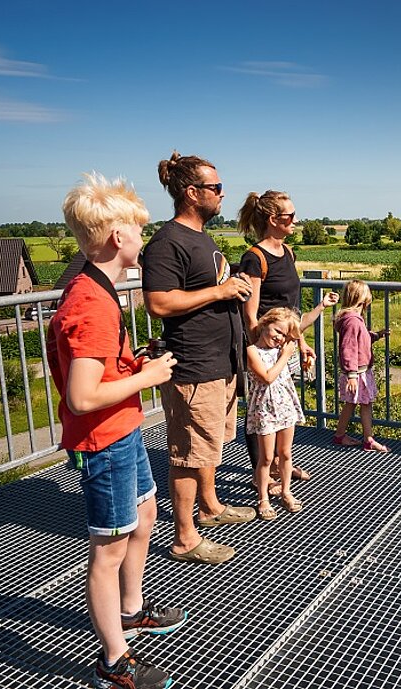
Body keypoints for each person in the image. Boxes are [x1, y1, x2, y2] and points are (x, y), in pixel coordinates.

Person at [47, 173, 185, 689]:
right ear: (117, 237)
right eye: (138, 231)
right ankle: (113, 660)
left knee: (145, 514)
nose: (143, 239)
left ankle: (131, 610)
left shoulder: (96, 289)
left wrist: (132, 367)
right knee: (107, 551)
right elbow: (82, 397)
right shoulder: (93, 305)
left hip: (122, 429)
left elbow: (98, 374)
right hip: (103, 441)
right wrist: (148, 377)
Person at [143, 151, 256, 566]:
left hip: (218, 363)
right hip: (194, 366)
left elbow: (202, 287)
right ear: (192, 193)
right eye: (216, 187)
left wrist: (230, 285)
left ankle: (209, 507)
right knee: (189, 455)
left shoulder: (200, 238)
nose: (222, 194)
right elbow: (158, 302)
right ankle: (184, 538)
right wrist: (220, 291)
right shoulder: (167, 242)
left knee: (208, 448)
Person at [236, 190, 338, 489]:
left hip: (286, 345)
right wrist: (260, 355)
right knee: (260, 410)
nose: (296, 219)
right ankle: (262, 473)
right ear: (273, 219)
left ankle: (281, 465)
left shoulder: (288, 252)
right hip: (265, 349)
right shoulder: (254, 259)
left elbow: (292, 310)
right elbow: (251, 315)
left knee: (281, 409)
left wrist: (300, 343)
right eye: (290, 215)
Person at [246, 308, 307, 516]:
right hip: (265, 409)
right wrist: (285, 356)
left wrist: (321, 307)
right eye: (277, 331)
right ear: (265, 324)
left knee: (286, 453)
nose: (280, 337)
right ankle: (263, 497)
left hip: (284, 406)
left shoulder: (281, 349)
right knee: (266, 457)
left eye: (284, 335)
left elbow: (301, 326)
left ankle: (286, 491)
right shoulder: (252, 351)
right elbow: (267, 377)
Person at [331, 280, 391, 452]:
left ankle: (343, 436)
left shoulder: (352, 320)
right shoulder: (353, 322)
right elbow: (348, 348)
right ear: (362, 299)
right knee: (363, 404)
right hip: (357, 373)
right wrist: (352, 375)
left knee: (354, 404)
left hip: (358, 372)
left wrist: (377, 335)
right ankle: (366, 439)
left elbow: (361, 338)